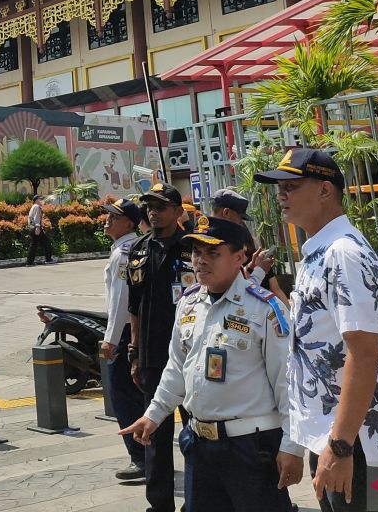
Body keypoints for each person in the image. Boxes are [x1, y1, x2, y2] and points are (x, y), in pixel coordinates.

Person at [254, 148, 378, 512]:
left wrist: (341, 447)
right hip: (334, 436)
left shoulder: (343, 253)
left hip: (359, 444)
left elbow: (365, 353)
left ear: (325, 191)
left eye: (291, 186)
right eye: (279, 188)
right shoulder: (320, 251)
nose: (281, 196)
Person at [120, 216, 303, 512]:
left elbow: (288, 384)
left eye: (213, 253)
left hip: (251, 447)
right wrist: (153, 415)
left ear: (240, 256)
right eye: (196, 253)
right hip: (199, 445)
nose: (201, 261)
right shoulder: (189, 303)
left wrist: (292, 447)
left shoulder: (265, 308)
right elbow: (177, 368)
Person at [126, 182, 189, 511]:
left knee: (196, 434)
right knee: (156, 436)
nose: (153, 211)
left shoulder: (193, 246)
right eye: (149, 205)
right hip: (152, 355)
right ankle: (160, 504)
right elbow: (134, 306)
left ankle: (199, 500)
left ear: (178, 211)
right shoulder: (138, 249)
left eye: (161, 205)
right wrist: (134, 353)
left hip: (191, 356)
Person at [98, 199, 147, 481]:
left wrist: (110, 339)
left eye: (113, 217)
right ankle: (147, 455)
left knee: (124, 397)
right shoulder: (136, 246)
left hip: (126, 332)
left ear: (128, 222)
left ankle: (139, 458)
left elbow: (121, 300)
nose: (107, 220)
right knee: (139, 395)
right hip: (137, 331)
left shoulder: (123, 253)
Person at [211, 187, 289, 303]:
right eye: (239, 218)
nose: (240, 223)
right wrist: (260, 270)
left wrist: (251, 267)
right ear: (226, 213)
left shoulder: (223, 240)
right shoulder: (215, 244)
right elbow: (234, 291)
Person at [25, 195, 54, 265]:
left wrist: (32, 227)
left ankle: (29, 262)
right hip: (36, 228)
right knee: (46, 243)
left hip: (32, 227)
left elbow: (29, 218)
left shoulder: (32, 207)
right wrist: (37, 227)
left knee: (33, 245)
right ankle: (48, 259)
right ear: (36, 200)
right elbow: (36, 218)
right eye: (40, 199)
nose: (42, 200)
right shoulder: (37, 207)